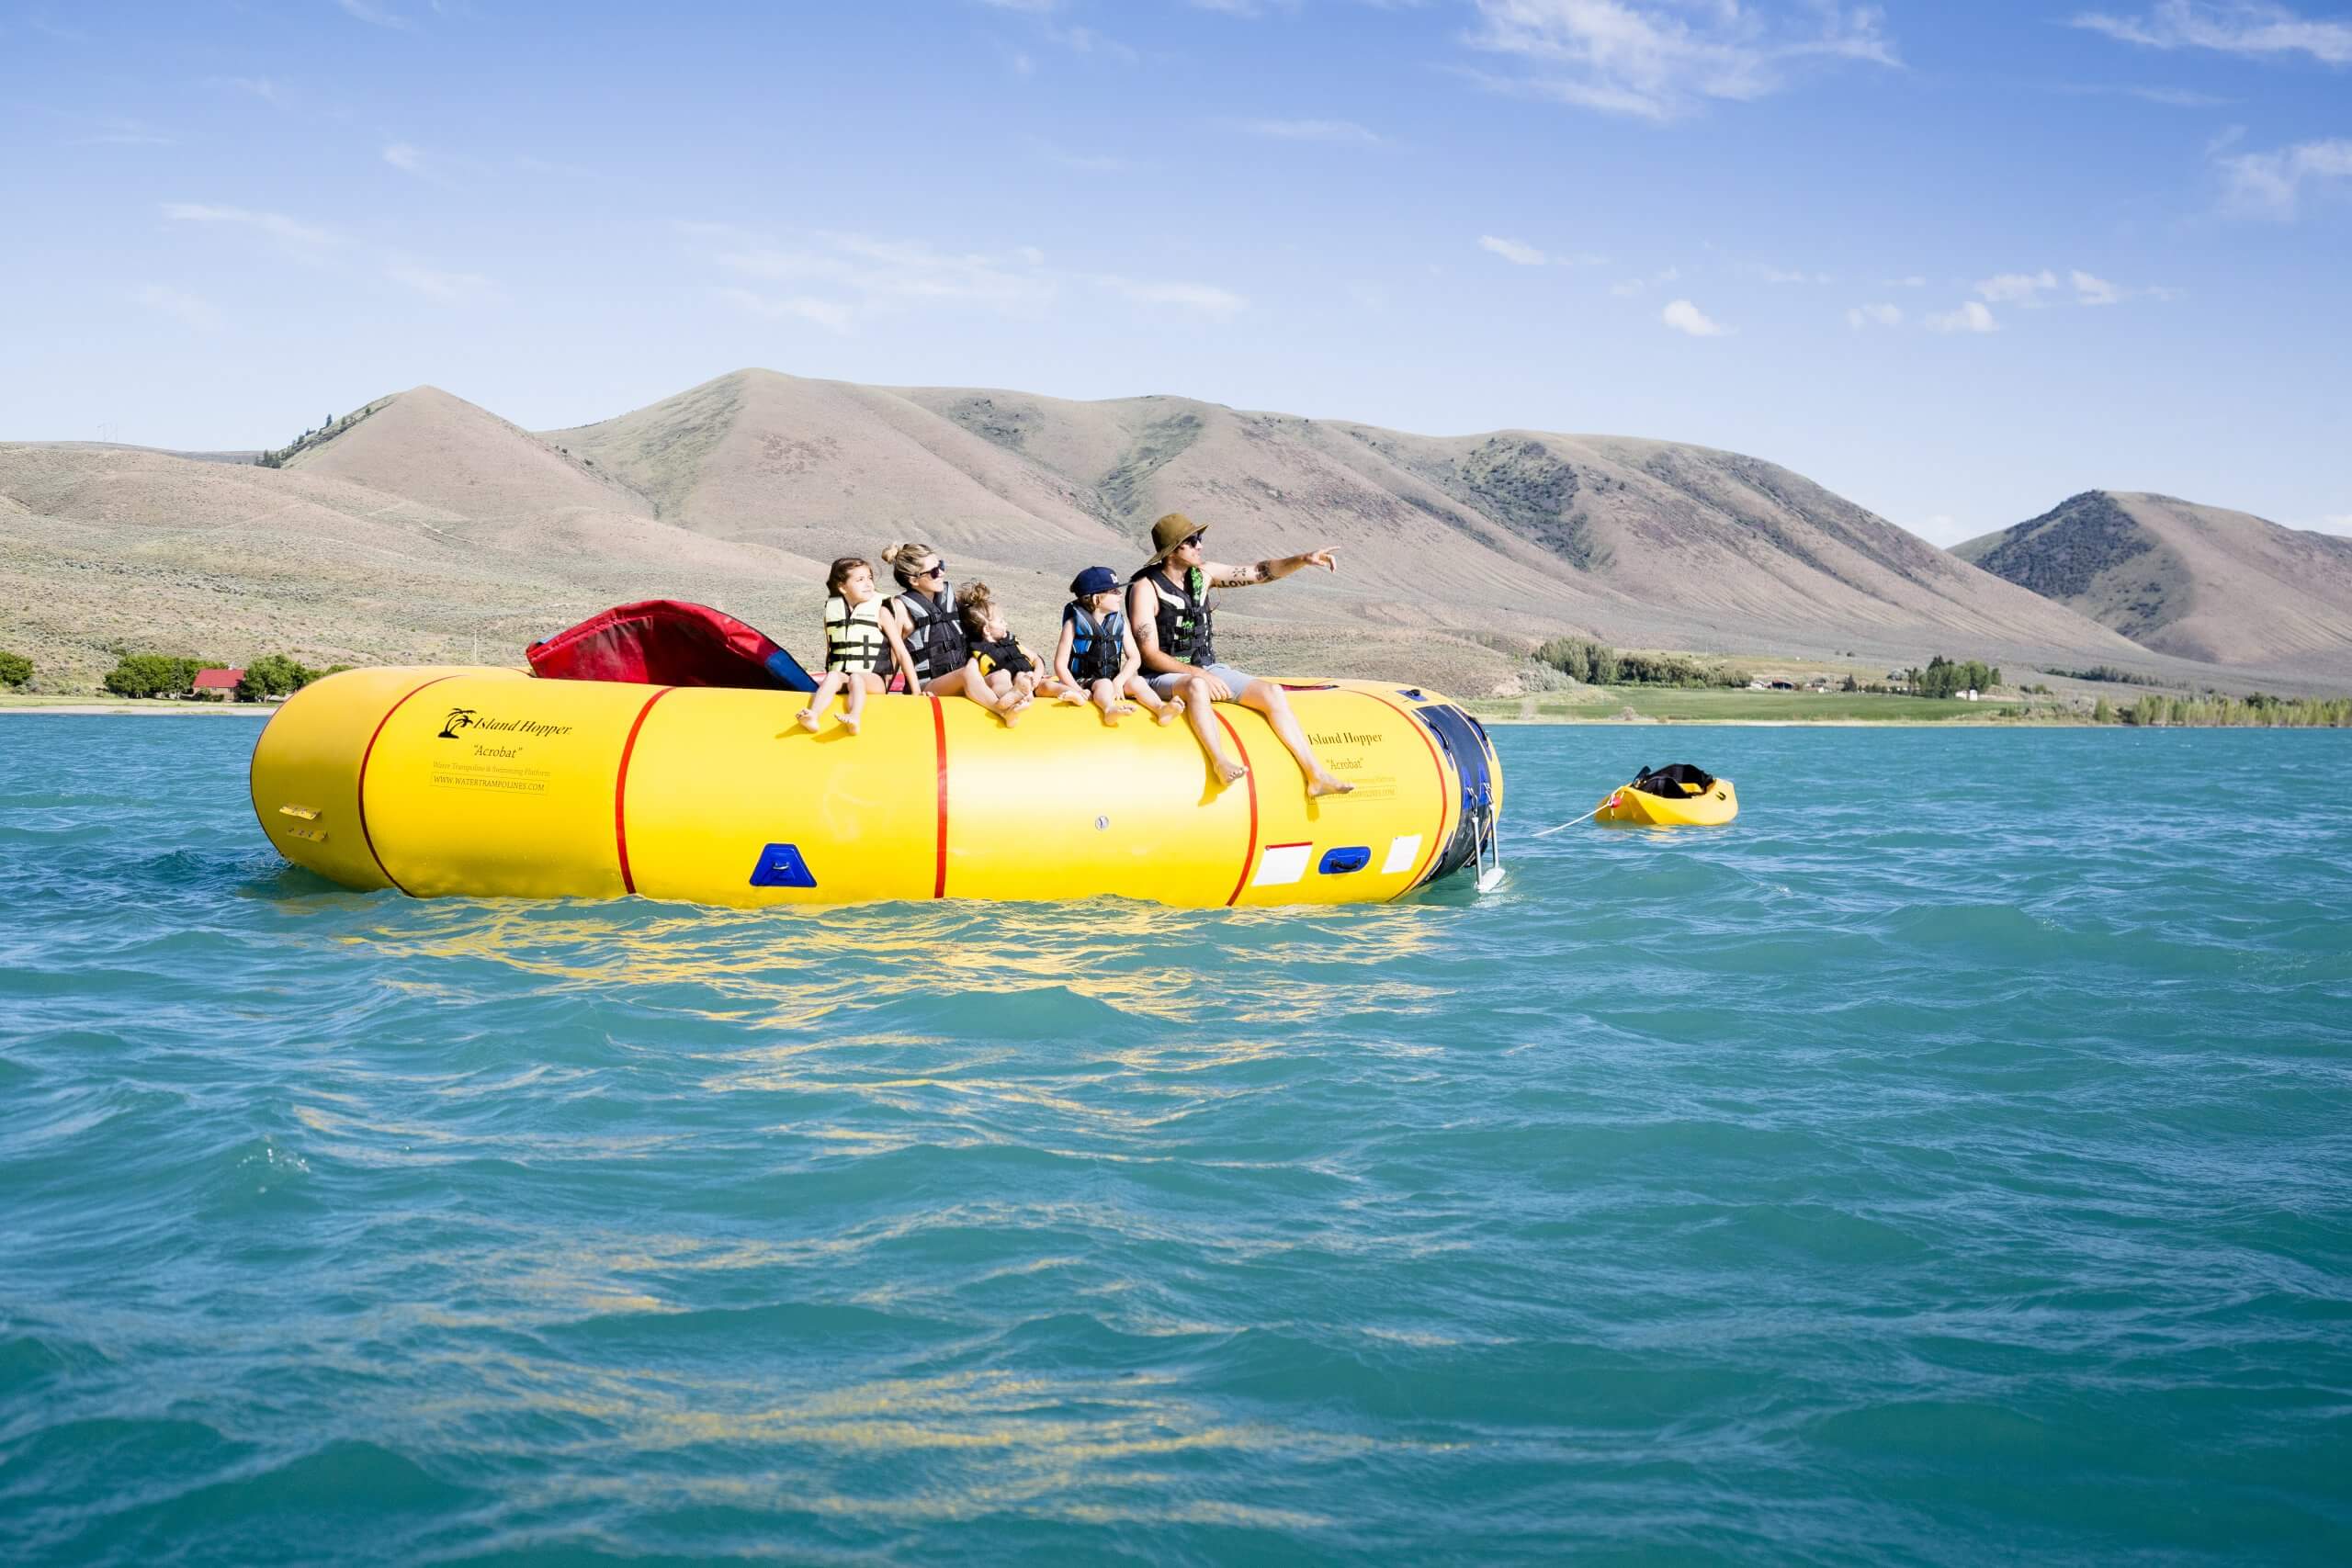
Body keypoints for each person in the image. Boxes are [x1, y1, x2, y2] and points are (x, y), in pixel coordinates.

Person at [1128, 513, 1354, 795]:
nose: (1200, 546)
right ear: (1173, 550)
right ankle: (1219, 761)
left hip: (1207, 667)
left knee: (1272, 693)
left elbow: (1259, 572)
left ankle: (1316, 775)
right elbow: (1149, 654)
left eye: (1200, 539)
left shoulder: (1204, 574)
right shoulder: (1145, 589)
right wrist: (1198, 675)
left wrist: (1303, 559)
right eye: (1192, 541)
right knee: (1197, 686)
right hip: (1161, 676)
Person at [878, 542, 1027, 724]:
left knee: (1001, 675)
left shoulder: (948, 598)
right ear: (914, 580)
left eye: (941, 566)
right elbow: (896, 655)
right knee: (968, 672)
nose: (941, 573)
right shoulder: (901, 608)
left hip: (962, 678)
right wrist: (895, 694)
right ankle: (1001, 711)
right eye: (934, 572)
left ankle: (1013, 701)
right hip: (930, 685)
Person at [798, 556, 916, 735]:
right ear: (842, 587)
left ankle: (855, 717)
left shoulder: (881, 611)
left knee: (856, 678)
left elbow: (901, 652)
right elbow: (831, 652)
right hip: (845, 676)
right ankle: (813, 715)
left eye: (870, 578)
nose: (868, 583)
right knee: (833, 676)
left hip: (874, 680)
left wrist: (916, 692)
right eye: (860, 580)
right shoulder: (832, 613)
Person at [1055, 566, 1183, 728]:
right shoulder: (1072, 624)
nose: (1120, 595)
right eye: (1114, 591)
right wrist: (1076, 689)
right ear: (1096, 599)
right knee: (1104, 684)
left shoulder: (1120, 623)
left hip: (1112, 680)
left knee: (1136, 681)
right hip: (1083, 681)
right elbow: (1060, 665)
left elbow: (1135, 658)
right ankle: (1109, 710)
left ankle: (1161, 709)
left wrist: (1119, 681)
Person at [956, 581, 1085, 708]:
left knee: (1047, 686)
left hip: (1033, 683)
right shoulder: (977, 653)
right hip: (1012, 686)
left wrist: (1037, 675)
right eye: (1001, 622)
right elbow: (973, 678)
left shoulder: (1011, 642)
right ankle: (1011, 698)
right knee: (1004, 679)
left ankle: (1073, 694)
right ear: (987, 630)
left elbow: (1036, 659)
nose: (1005, 624)